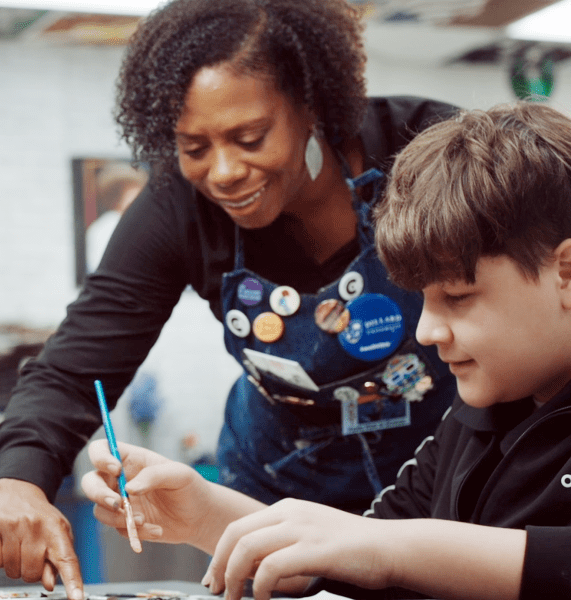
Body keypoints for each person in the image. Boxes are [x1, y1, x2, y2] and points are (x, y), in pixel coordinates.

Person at [0, 0, 459, 594]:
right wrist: (20, 480)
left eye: (249, 138)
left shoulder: (431, 153)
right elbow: (73, 368)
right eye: (193, 148)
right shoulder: (177, 209)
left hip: (439, 477)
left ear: (312, 104)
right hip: (274, 493)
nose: (224, 171)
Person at [81, 101, 571, 600]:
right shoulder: (478, 416)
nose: (426, 331)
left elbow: (391, 549)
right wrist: (202, 513)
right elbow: (350, 553)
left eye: (458, 297)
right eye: (424, 300)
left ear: (566, 273)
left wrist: (390, 549)